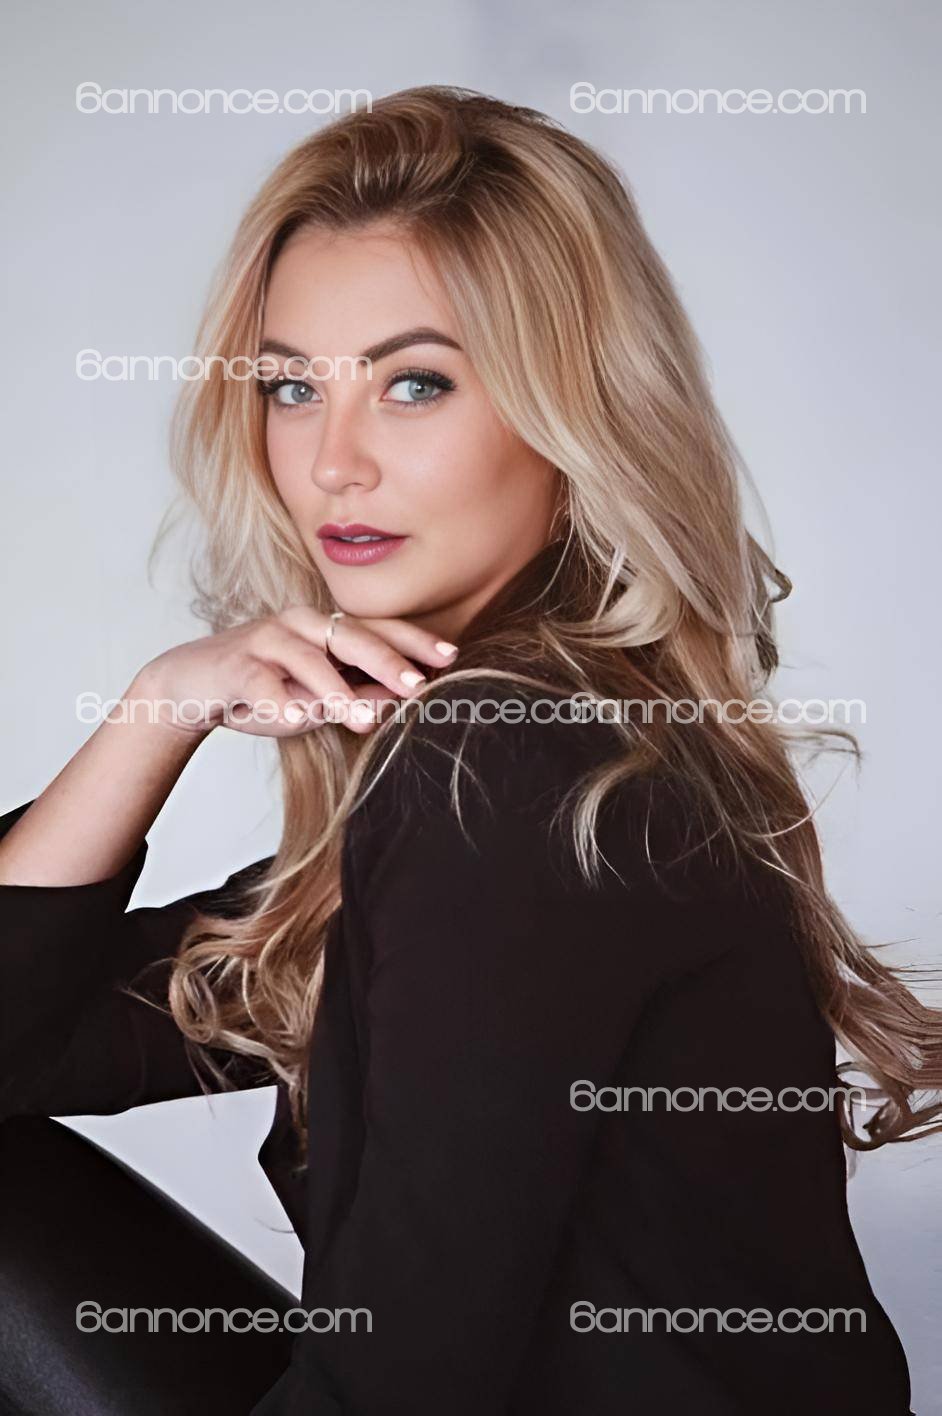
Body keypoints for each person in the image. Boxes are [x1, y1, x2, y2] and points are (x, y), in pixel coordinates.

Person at [0, 85, 935, 1414]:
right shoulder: (529, 743)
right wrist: (158, 707)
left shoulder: (514, 770)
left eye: (415, 384)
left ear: (573, 410)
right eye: (291, 387)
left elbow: (402, 1379)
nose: (331, 463)